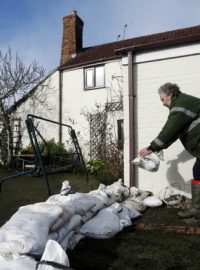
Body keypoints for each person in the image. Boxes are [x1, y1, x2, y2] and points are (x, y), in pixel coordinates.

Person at [139, 82, 200, 219]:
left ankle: (197, 209)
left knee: (198, 172)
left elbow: (170, 130)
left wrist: (151, 147)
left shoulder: (180, 106)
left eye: (162, 99)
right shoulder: (183, 103)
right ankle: (197, 209)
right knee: (198, 172)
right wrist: (157, 148)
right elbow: (176, 132)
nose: (162, 103)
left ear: (169, 94)